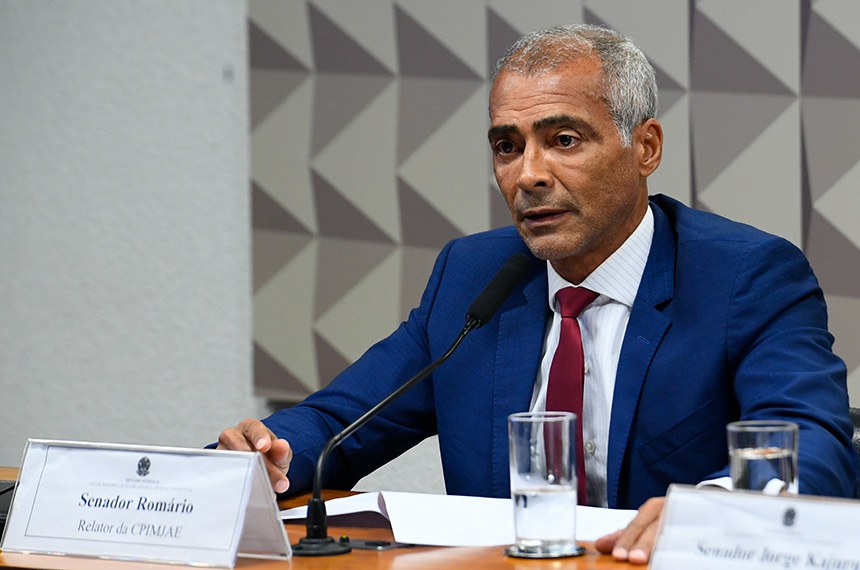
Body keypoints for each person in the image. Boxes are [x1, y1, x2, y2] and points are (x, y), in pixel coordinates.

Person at [217, 24, 858, 563]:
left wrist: (714, 511)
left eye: (564, 140)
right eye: (507, 146)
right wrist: (264, 455)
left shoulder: (745, 276)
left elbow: (815, 445)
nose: (528, 175)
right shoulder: (475, 276)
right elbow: (337, 423)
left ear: (646, 147)